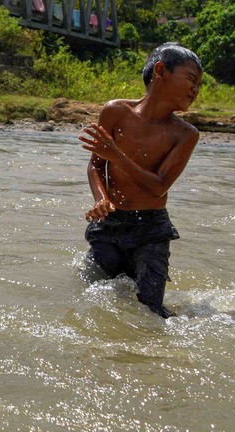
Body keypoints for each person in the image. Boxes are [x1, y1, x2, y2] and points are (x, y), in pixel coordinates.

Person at [79, 42, 203, 318]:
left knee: (152, 310)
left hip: (151, 231)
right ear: (161, 71)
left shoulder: (185, 134)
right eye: (192, 80)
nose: (196, 90)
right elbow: (96, 165)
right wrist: (101, 199)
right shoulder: (115, 112)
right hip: (109, 226)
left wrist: (117, 155)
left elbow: (159, 186)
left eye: (200, 85)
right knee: (95, 302)